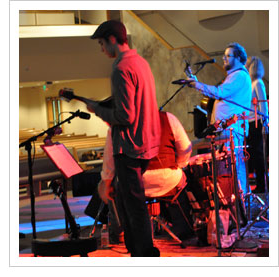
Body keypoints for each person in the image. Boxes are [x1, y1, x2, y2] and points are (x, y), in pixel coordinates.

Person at [87, 20, 161, 257]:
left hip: (128, 148)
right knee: (131, 203)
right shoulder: (141, 63)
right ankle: (140, 251)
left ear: (111, 39)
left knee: (133, 208)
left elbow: (125, 115)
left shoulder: (121, 68)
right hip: (146, 145)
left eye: (101, 43)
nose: (101, 50)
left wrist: (97, 109)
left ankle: (143, 254)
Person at [98, 111, 194, 240]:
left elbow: (109, 160)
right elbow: (185, 148)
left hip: (135, 180)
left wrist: (107, 183)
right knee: (181, 180)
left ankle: (120, 231)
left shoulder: (118, 123)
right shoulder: (168, 118)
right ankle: (183, 228)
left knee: (107, 185)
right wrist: (180, 164)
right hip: (167, 178)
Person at [188, 42, 252, 196]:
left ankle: (241, 202)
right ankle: (240, 201)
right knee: (234, 166)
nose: (223, 58)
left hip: (233, 130)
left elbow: (219, 92)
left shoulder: (239, 76)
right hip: (228, 130)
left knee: (234, 167)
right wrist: (195, 81)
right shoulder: (234, 76)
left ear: (237, 58)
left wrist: (196, 84)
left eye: (228, 55)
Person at [245, 56, 269, 193]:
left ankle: (262, 185)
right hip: (251, 122)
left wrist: (264, 123)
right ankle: (259, 183)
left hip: (257, 123)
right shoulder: (252, 83)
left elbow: (262, 104)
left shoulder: (258, 83)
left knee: (258, 155)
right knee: (253, 155)